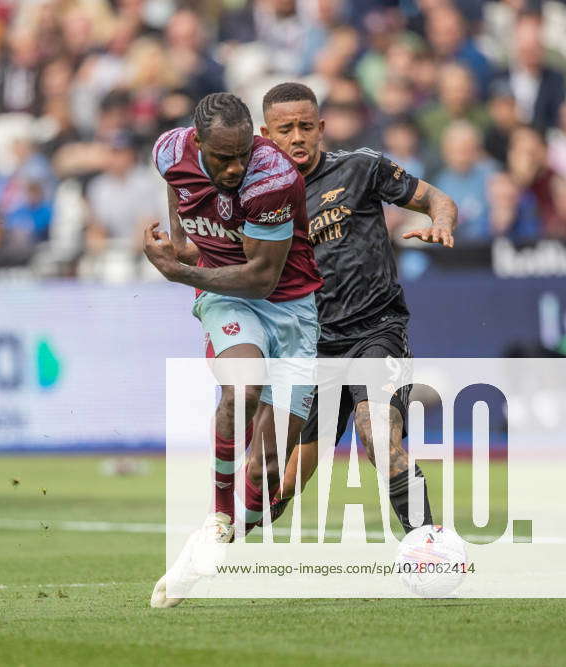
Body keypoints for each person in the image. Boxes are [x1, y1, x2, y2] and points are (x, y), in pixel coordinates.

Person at [143, 92, 323, 607]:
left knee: (269, 470)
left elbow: (263, 279)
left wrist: (178, 270)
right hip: (225, 296)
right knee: (242, 387)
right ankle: (220, 513)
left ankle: (208, 543)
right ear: (197, 142)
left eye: (244, 151)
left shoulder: (274, 178)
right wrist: (181, 241)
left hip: (288, 307)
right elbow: (175, 188)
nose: (236, 165)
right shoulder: (168, 150)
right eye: (224, 156)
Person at [258, 81, 458, 532]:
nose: (297, 138)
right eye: (285, 129)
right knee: (281, 482)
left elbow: (436, 199)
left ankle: (429, 543)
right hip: (314, 347)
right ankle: (220, 541)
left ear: (321, 128)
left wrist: (440, 223)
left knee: (378, 433)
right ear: (266, 136)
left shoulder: (361, 169)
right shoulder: (260, 201)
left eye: (306, 126)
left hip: (376, 331)